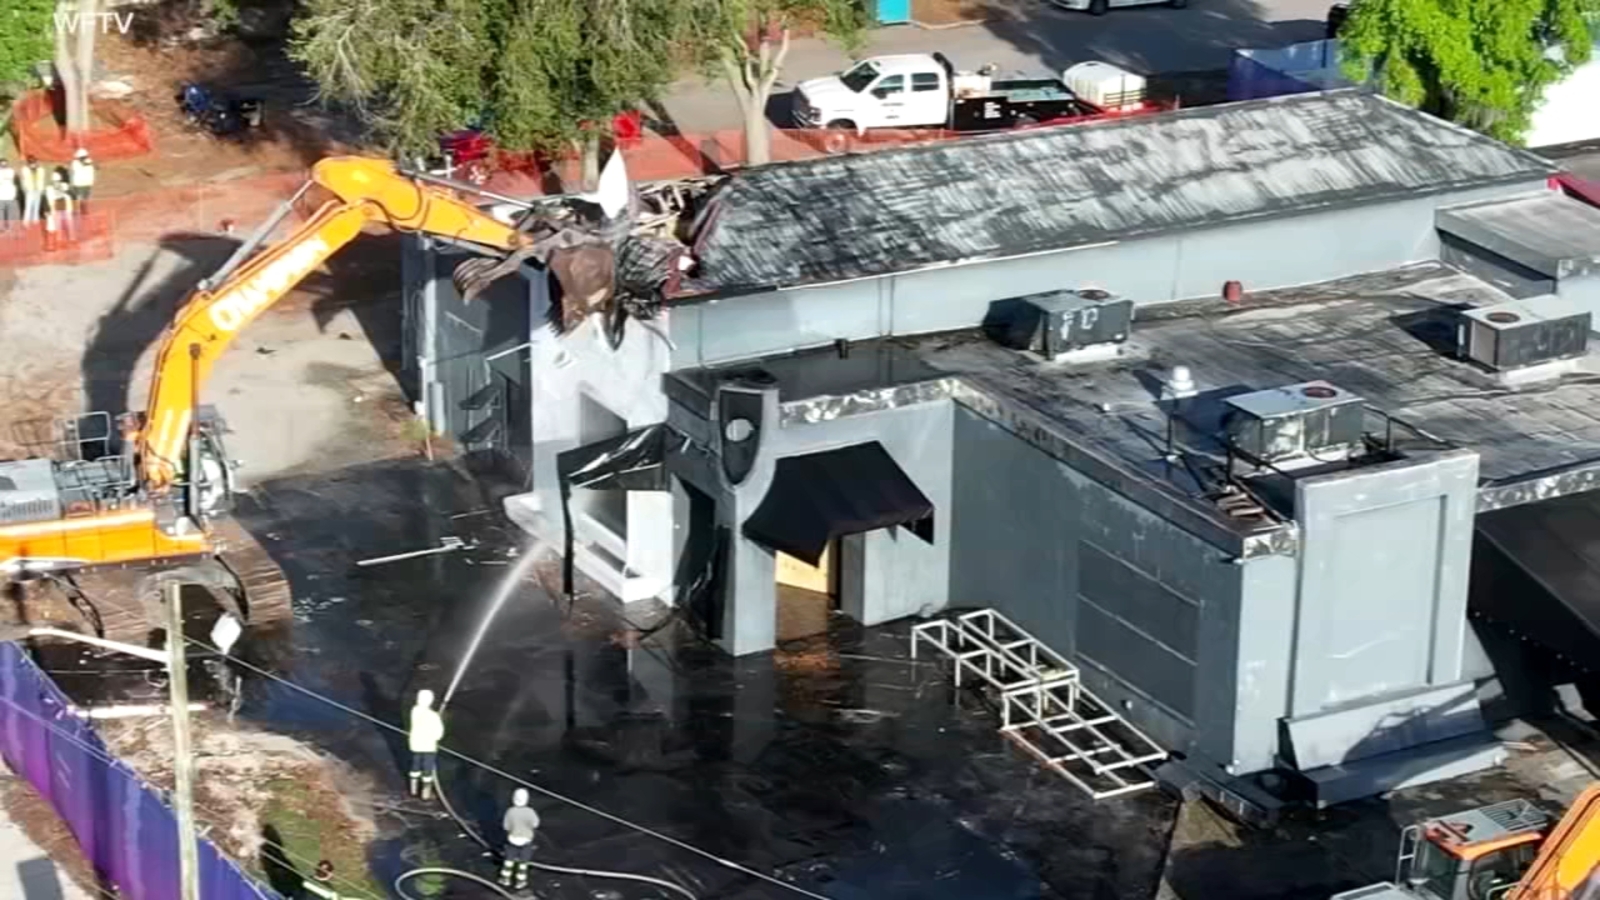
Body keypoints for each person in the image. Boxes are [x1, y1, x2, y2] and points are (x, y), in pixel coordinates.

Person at [498, 788, 540, 891]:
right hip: (526, 840)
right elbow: (535, 824)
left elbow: (506, 827)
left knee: (509, 861)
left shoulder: (510, 811)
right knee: (523, 863)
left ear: (513, 799)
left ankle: (505, 879)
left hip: (512, 839)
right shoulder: (530, 812)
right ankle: (520, 882)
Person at [407, 689, 444, 799]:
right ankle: (425, 793)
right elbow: (438, 734)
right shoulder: (433, 716)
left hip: (416, 744)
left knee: (415, 765)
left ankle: (413, 790)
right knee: (427, 768)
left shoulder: (415, 710)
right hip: (429, 746)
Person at [45, 171, 74, 242]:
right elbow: (48, 200)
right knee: (58, 225)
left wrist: (65, 191)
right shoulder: (49, 189)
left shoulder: (64, 186)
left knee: (69, 224)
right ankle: (60, 239)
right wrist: (49, 210)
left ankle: (72, 238)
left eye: (58, 181)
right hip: (56, 209)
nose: (56, 183)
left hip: (66, 208)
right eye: (55, 181)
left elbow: (71, 195)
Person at [68, 149, 95, 217]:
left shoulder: (75, 163)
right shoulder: (88, 162)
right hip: (84, 183)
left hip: (80, 183)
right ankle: (82, 210)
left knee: (79, 198)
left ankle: (77, 210)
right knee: (83, 198)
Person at [20, 157, 44, 225]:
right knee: (28, 206)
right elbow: (24, 179)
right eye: (31, 162)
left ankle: (35, 219)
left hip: (38, 190)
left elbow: (41, 179)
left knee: (37, 205)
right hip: (30, 190)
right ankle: (26, 221)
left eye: (34, 162)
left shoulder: (40, 170)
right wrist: (25, 188)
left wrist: (41, 189)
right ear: (29, 163)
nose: (33, 164)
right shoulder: (25, 170)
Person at [0, 158, 17, 231]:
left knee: (10, 212)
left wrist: (13, 195)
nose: (4, 165)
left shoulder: (11, 171)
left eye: (5, 163)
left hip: (10, 196)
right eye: (2, 163)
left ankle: (10, 227)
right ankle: (1, 227)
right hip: (1, 196)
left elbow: (11, 180)